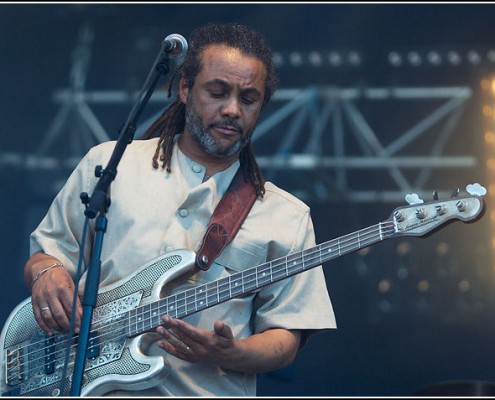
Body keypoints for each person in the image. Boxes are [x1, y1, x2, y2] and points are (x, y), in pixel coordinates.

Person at [24, 22, 336, 396]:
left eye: (248, 99)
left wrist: (233, 352)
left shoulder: (287, 216)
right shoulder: (111, 165)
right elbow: (47, 254)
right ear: (185, 89)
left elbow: (286, 335)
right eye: (217, 92)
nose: (232, 110)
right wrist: (47, 273)